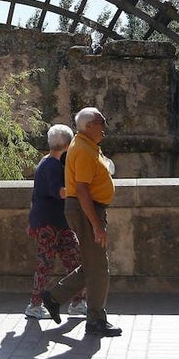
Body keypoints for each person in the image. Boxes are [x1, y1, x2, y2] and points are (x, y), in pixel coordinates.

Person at [41, 107, 121, 336]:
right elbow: (83, 190)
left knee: (93, 265)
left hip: (88, 209)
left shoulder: (87, 146)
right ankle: (95, 320)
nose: (105, 126)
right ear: (88, 126)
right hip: (87, 210)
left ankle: (54, 297)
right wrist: (96, 224)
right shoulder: (84, 150)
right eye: (101, 121)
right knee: (99, 268)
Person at [24, 124, 87, 320]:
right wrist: (84, 189)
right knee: (46, 263)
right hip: (49, 223)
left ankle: (78, 301)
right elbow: (59, 192)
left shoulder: (49, 162)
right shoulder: (51, 165)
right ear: (68, 144)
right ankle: (35, 305)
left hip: (57, 222)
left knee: (74, 259)